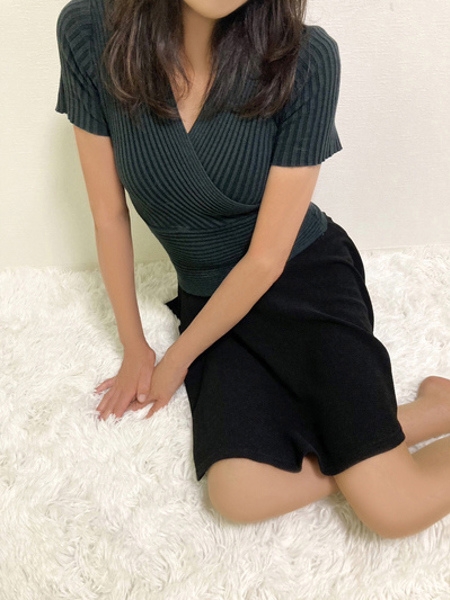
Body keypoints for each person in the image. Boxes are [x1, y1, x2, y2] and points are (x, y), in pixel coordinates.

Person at [55, 0, 450, 539]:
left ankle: (394, 432)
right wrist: (135, 345)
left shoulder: (306, 58)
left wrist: (177, 358)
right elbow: (108, 215)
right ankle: (424, 415)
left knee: (394, 510)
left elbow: (266, 259)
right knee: (238, 494)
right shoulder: (90, 32)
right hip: (212, 297)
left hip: (303, 276)